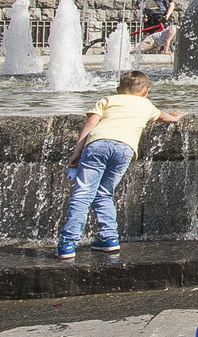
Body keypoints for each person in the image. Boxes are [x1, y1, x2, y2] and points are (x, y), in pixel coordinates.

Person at [56, 70, 184, 258]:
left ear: (118, 90)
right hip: (125, 149)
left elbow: (91, 124)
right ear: (146, 91)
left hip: (98, 144)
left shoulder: (107, 100)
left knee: (83, 194)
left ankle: (68, 243)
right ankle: (109, 239)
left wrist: (77, 151)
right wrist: (175, 117)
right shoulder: (146, 105)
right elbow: (164, 116)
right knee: (104, 192)